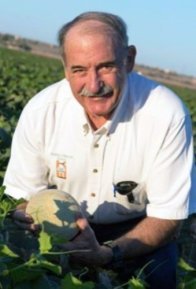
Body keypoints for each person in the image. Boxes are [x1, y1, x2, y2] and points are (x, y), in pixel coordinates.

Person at [3, 11, 196, 289]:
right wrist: (30, 214)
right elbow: (21, 195)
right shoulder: (41, 111)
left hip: (138, 227)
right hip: (60, 232)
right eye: (79, 70)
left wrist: (106, 253)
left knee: (159, 279)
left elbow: (167, 218)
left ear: (128, 60)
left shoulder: (166, 114)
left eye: (105, 66)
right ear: (64, 67)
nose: (93, 85)